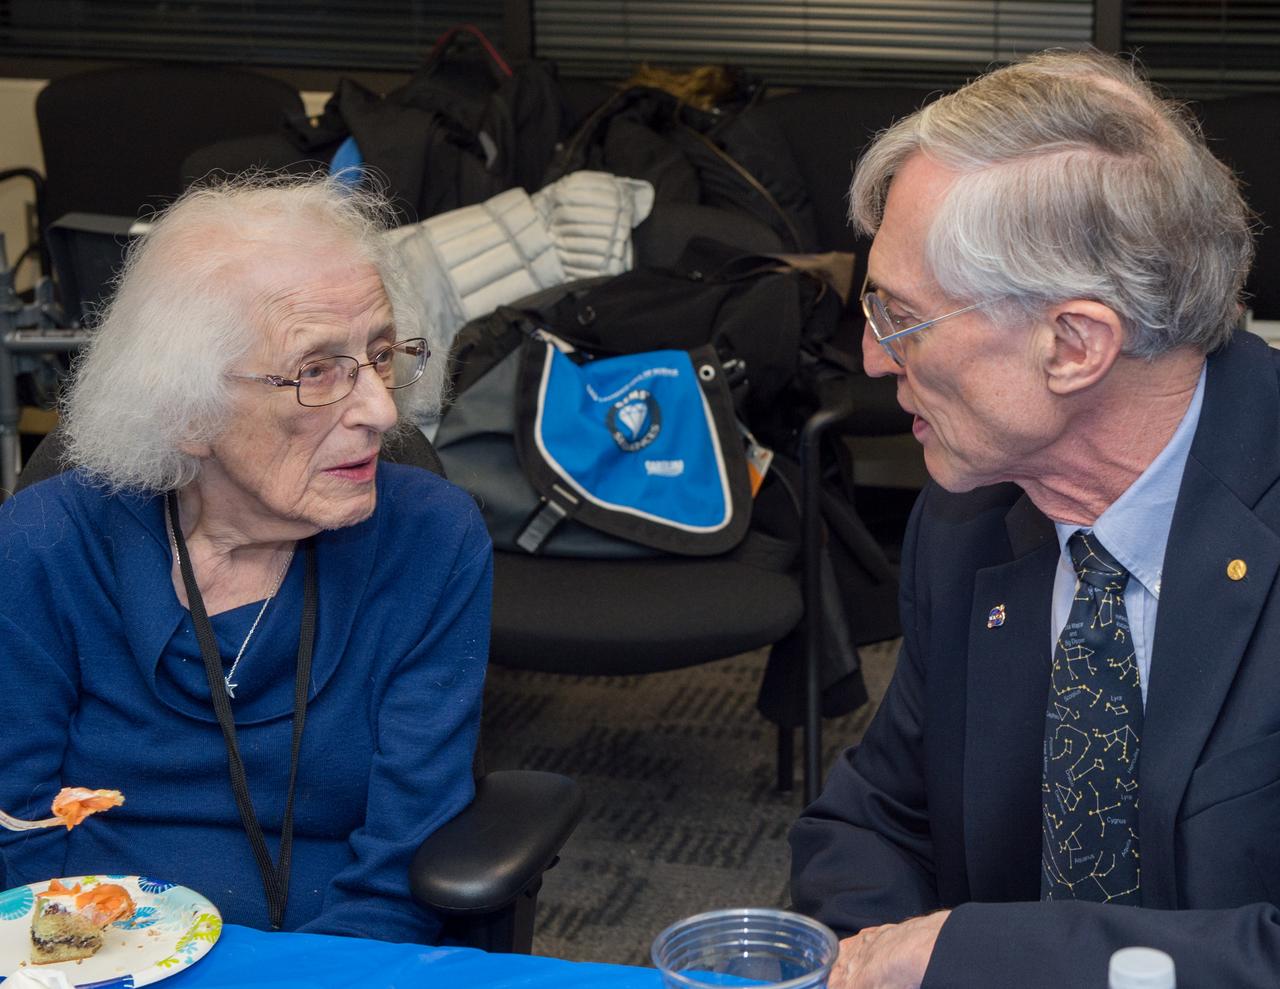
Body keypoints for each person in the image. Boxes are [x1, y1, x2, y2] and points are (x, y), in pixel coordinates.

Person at [789, 49, 1280, 988]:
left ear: (1073, 343)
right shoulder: (969, 512)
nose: (873, 356)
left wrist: (972, 958)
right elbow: (872, 820)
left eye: (901, 315)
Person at [0, 174, 491, 945]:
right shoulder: (45, 546)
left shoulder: (432, 540)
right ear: (186, 409)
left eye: (383, 355)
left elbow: (403, 865)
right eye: (316, 370)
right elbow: (15, 833)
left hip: (337, 954)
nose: (381, 411)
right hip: (88, 953)